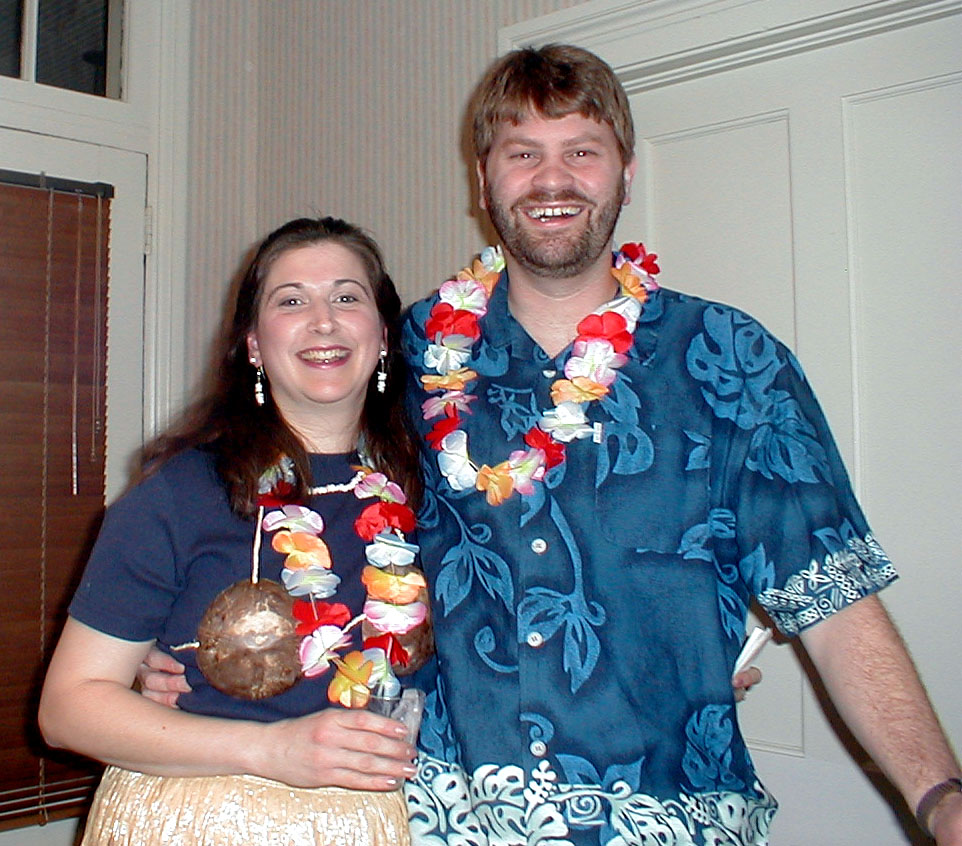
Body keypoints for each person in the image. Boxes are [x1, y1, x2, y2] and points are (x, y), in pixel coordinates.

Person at [141, 46, 961, 846]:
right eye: (523, 153)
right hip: (440, 816)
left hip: (669, 813)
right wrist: (181, 645)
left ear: (626, 173)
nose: (552, 179)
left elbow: (836, 604)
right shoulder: (408, 353)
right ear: (483, 180)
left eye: (582, 151)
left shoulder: (731, 359)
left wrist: (938, 796)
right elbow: (283, 486)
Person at [38, 216, 434, 845]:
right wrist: (270, 750)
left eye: (346, 297)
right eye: (291, 301)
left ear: (383, 335)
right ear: (253, 344)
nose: (323, 321)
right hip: (196, 819)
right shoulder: (180, 494)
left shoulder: (434, 489)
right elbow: (66, 709)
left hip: (371, 822)